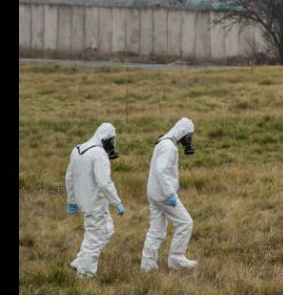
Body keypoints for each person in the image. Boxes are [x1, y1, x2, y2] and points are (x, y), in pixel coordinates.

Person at [65, 123, 126, 278]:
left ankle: (79, 261)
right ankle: (85, 274)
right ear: (107, 139)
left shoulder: (77, 149)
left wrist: (72, 200)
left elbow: (69, 177)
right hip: (94, 204)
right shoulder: (99, 153)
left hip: (84, 201)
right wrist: (117, 202)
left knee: (107, 229)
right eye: (112, 140)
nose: (113, 144)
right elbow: (104, 183)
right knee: (95, 238)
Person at [140, 117, 198, 272]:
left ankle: (147, 265)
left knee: (156, 229)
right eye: (189, 135)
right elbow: (161, 171)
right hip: (164, 195)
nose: (189, 139)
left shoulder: (163, 143)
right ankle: (176, 259)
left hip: (154, 192)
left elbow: (161, 170)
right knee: (185, 223)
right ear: (183, 132)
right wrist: (170, 193)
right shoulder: (169, 147)